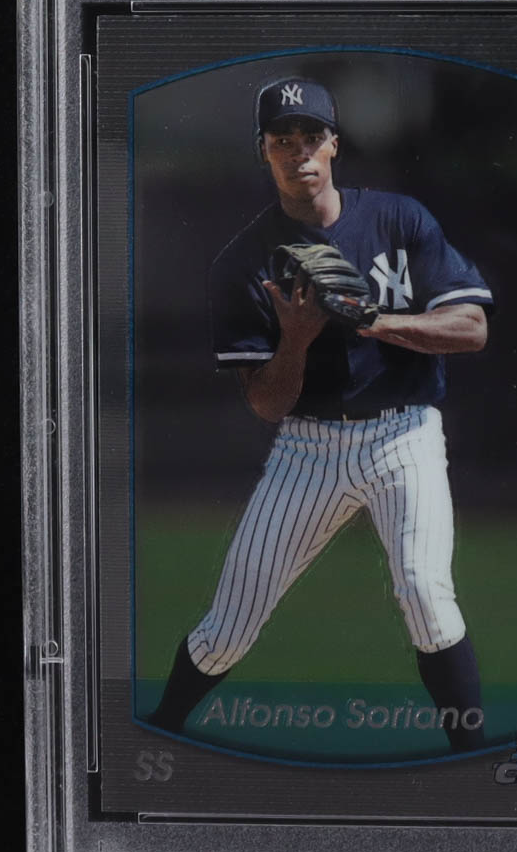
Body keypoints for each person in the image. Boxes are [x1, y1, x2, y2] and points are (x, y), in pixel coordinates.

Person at [147, 76, 494, 752]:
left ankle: (474, 760)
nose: (298, 151)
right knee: (226, 631)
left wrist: (374, 320)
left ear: (334, 144)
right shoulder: (243, 262)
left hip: (403, 434)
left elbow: (472, 327)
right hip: (307, 447)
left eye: (311, 136)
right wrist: (298, 339)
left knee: (426, 593)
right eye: (283, 139)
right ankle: (158, 738)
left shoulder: (397, 220)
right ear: (264, 150)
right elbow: (265, 403)